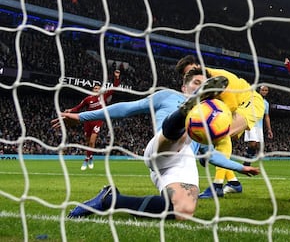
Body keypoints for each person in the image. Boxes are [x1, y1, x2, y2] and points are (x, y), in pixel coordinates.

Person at [52, 68, 260, 220]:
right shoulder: (167, 96)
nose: (200, 86)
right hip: (161, 147)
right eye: (197, 83)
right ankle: (182, 114)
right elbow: (125, 109)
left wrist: (240, 167)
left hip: (182, 163)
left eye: (203, 85)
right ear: (184, 86)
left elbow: (209, 155)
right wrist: (82, 117)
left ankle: (110, 200)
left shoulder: (210, 117)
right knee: (180, 136)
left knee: (183, 211)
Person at [175, 55, 265, 198]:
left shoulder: (218, 78)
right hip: (237, 106)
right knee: (218, 137)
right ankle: (234, 183)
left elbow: (231, 105)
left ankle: (216, 186)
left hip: (250, 102)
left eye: (192, 70)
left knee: (221, 133)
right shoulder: (199, 85)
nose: (192, 76)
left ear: (198, 66)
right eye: (187, 75)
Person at [64, 70, 121, 170]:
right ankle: (90, 156)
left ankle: (86, 159)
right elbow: (78, 108)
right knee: (88, 143)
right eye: (95, 88)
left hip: (98, 120)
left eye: (98, 88)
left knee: (92, 141)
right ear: (92, 89)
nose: (96, 90)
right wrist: (70, 110)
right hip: (88, 121)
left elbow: (114, 88)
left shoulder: (103, 96)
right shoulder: (87, 99)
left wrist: (116, 77)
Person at [242, 85, 273, 168]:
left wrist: (269, 129)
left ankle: (247, 161)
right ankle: (246, 162)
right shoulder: (253, 99)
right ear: (259, 90)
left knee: (257, 145)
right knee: (253, 143)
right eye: (263, 90)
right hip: (251, 124)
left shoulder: (266, 103)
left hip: (259, 126)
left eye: (266, 90)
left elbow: (266, 116)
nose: (264, 92)